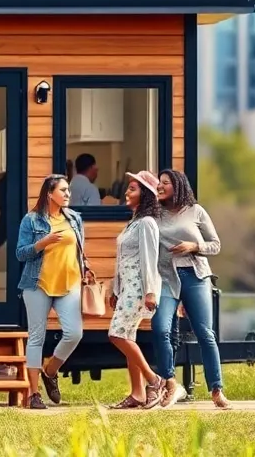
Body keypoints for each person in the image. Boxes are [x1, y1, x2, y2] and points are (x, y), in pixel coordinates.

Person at [15, 174, 95, 409]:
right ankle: (33, 394)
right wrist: (43, 242)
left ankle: (50, 371)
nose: (68, 194)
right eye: (63, 190)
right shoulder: (31, 221)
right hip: (37, 284)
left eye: (68, 190)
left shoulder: (74, 219)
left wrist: (85, 268)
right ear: (50, 194)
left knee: (74, 333)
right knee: (36, 337)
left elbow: (80, 249)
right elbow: (21, 253)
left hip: (70, 283)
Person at [151, 168, 229, 409]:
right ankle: (170, 382)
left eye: (165, 183)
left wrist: (193, 246)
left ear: (179, 186)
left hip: (195, 275)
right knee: (160, 328)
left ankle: (217, 390)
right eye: (158, 183)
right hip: (165, 277)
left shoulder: (196, 211)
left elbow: (215, 245)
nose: (160, 186)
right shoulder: (154, 214)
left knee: (205, 333)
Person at [106, 170, 167, 409]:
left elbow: (150, 259)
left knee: (116, 334)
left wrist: (151, 291)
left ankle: (154, 380)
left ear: (145, 194)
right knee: (128, 337)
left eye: (133, 188)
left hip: (139, 289)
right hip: (127, 288)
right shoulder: (133, 223)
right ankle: (137, 394)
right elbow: (123, 260)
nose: (127, 192)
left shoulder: (147, 224)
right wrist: (115, 288)